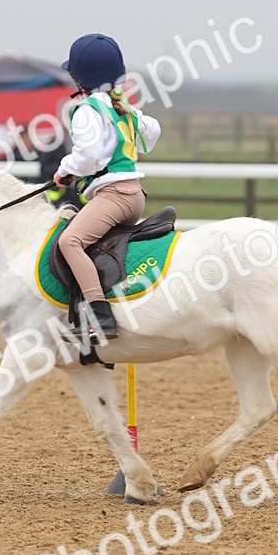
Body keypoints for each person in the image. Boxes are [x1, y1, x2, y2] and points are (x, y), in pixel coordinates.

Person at [54, 33, 161, 339]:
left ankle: (100, 317)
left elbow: (87, 156)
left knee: (69, 242)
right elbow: (152, 132)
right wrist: (130, 112)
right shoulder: (119, 105)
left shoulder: (86, 110)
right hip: (135, 195)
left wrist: (64, 170)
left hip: (114, 197)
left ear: (79, 79)